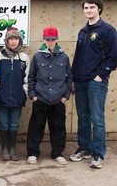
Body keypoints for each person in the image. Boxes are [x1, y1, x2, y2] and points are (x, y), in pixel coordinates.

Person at [69, 0, 117, 169]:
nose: (88, 10)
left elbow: (114, 57)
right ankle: (85, 148)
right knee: (83, 117)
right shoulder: (83, 31)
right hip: (80, 81)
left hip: (96, 82)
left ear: (99, 9)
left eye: (92, 7)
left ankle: (98, 153)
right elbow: (78, 57)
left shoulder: (107, 30)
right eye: (86, 8)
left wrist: (101, 75)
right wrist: (73, 79)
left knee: (97, 118)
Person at [26, 26, 72, 165]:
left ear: (56, 40)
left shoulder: (64, 57)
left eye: (52, 39)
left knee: (58, 127)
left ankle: (57, 153)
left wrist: (65, 96)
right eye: (47, 39)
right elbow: (31, 77)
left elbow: (69, 78)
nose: (50, 42)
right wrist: (33, 95)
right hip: (40, 98)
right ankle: (33, 153)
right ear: (44, 40)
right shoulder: (38, 56)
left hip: (58, 99)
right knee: (36, 127)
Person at [0, 27, 30, 161]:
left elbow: (28, 78)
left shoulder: (24, 58)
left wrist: (24, 92)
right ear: (6, 40)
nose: (13, 42)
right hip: (2, 97)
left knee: (14, 124)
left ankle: (12, 148)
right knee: (4, 124)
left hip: (17, 98)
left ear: (19, 41)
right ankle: (4, 148)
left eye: (16, 39)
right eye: (11, 39)